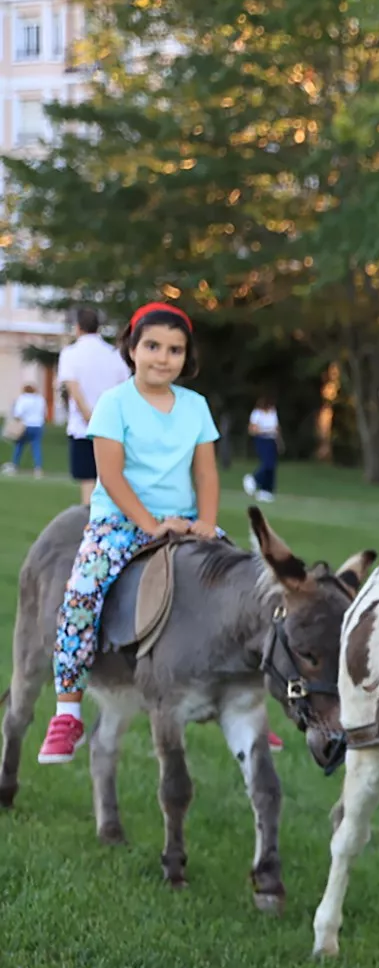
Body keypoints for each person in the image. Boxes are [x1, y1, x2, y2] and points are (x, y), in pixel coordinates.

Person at [40, 303, 221, 763]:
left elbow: (206, 474)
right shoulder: (114, 403)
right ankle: (67, 712)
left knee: (242, 586)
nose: (163, 358)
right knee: (80, 597)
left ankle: (238, 700)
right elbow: (112, 475)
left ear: (187, 356)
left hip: (182, 523)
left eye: (175, 350)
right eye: (153, 346)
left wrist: (206, 521)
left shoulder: (196, 406)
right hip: (119, 523)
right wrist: (150, 524)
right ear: (132, 349)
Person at [56, 306, 132, 507]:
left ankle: (92, 529)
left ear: (78, 327)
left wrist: (90, 418)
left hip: (83, 428)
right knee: (111, 481)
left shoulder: (70, 353)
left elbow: (74, 389)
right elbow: (124, 390)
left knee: (88, 484)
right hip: (112, 428)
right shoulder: (114, 355)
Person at [242, 394, 280, 501]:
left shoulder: (273, 412)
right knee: (267, 464)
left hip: (271, 440)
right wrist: (266, 430)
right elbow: (252, 430)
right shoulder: (257, 413)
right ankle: (254, 479)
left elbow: (276, 428)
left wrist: (279, 442)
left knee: (272, 466)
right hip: (262, 439)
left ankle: (267, 490)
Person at [6, 382, 46, 476]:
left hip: (25, 424)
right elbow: (44, 412)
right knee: (36, 446)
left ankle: (15, 465)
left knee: (19, 445)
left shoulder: (23, 399)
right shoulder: (40, 399)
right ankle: (38, 468)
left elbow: (18, 413)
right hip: (38, 425)